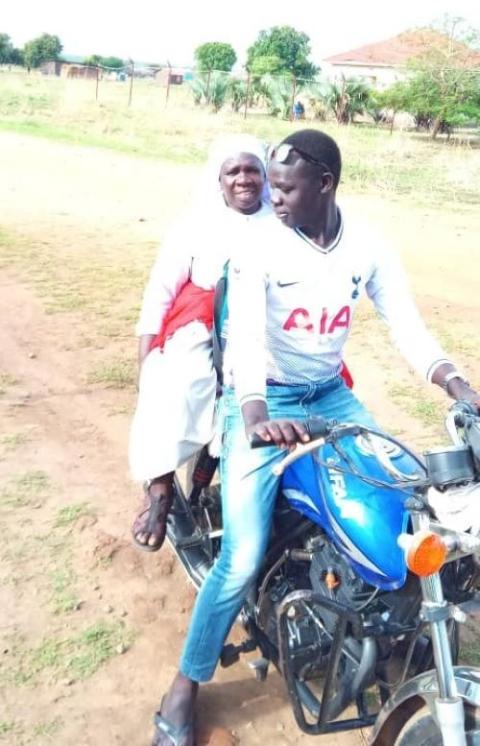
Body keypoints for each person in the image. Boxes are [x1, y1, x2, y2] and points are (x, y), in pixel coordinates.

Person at [151, 128, 480, 745]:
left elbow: (407, 325)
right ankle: (184, 687)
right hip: (262, 400)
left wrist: (457, 383)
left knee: (406, 497)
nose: (272, 198)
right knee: (241, 555)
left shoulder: (368, 248)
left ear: (324, 184)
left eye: (285, 187)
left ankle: (378, 620)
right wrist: (252, 414)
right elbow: (244, 337)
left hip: (329, 393)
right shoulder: (260, 250)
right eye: (270, 185)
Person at [130, 134, 271, 552]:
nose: (243, 179)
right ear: (219, 179)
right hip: (200, 318)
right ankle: (159, 490)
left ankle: (207, 491)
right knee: (180, 384)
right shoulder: (196, 224)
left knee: (252, 398)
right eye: (234, 171)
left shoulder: (282, 222)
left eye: (252, 170)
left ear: (266, 177)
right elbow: (161, 287)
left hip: (261, 323)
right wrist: (146, 347)